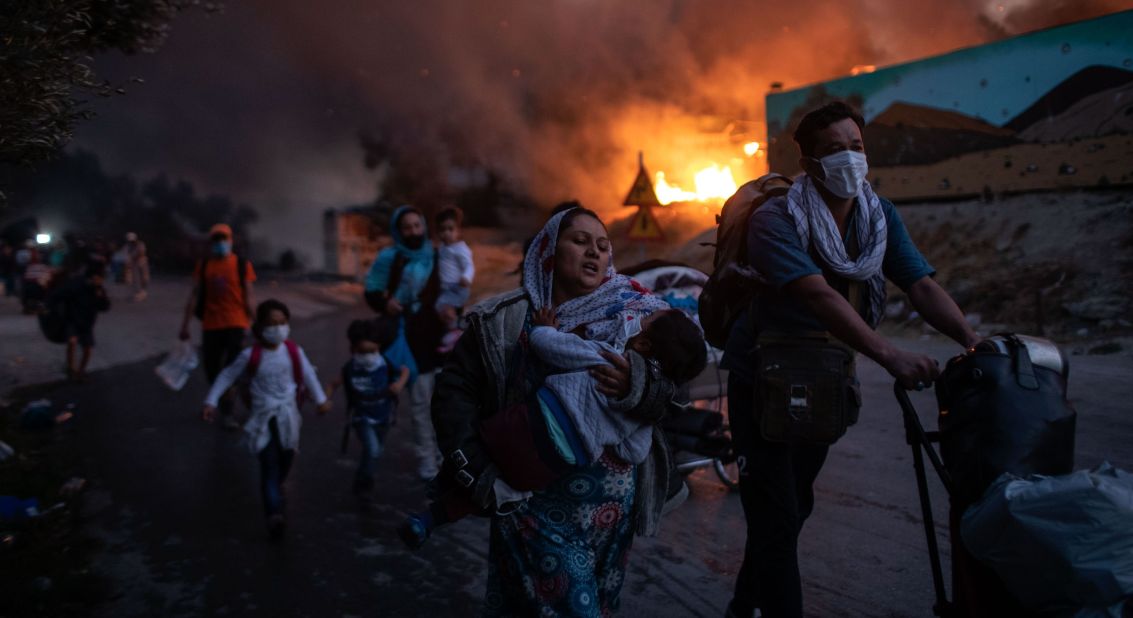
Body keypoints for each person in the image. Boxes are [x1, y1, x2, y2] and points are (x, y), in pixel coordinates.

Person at [720, 101, 981, 618]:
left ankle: (742, 606)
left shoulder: (877, 215)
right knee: (776, 515)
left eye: (856, 147)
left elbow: (920, 284)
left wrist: (972, 343)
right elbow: (818, 296)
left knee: (793, 507)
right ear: (811, 164)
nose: (849, 159)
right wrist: (890, 356)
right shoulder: (775, 219)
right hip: (763, 383)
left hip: (823, 383)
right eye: (834, 150)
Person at [431, 206, 682, 616]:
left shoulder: (638, 312)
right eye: (580, 241)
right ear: (548, 248)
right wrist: (479, 472)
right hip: (532, 506)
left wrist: (640, 385)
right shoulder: (506, 319)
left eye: (603, 246)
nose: (594, 253)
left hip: (611, 516)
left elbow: (678, 382)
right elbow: (453, 393)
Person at [400, 304, 705, 548]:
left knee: (479, 453)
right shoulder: (644, 414)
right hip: (554, 463)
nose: (640, 316)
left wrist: (547, 328)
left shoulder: (606, 358)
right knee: (499, 490)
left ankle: (435, 501)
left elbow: (547, 345)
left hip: (525, 424)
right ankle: (430, 519)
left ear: (641, 342)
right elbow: (634, 452)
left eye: (647, 318)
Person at [202, 299, 332, 539]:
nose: (278, 328)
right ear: (260, 327)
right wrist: (211, 401)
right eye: (272, 324)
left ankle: (276, 489)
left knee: (286, 458)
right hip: (262, 419)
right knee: (269, 464)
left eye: (282, 323)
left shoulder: (294, 352)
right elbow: (227, 375)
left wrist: (321, 399)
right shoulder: (250, 356)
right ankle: (273, 514)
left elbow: (309, 376)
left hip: (289, 417)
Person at [363, 206, 447, 480]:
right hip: (409, 339)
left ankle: (446, 459)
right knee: (422, 404)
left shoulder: (437, 254)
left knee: (445, 404)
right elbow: (372, 289)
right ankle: (428, 463)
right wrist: (386, 302)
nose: (413, 231)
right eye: (407, 227)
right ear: (398, 231)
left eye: (417, 225)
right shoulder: (391, 257)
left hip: (440, 338)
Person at [179, 223, 256, 429]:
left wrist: (257, 324)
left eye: (223, 239)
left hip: (236, 323)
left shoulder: (241, 265)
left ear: (230, 241)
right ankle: (225, 398)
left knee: (230, 369)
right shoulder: (204, 265)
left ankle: (228, 413)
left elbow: (248, 297)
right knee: (212, 370)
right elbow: (194, 295)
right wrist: (185, 325)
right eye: (216, 240)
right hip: (211, 324)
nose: (220, 243)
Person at [324, 318, 410, 497]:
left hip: (383, 417)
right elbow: (334, 384)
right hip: (361, 418)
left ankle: (363, 477)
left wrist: (399, 385)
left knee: (374, 450)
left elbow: (404, 371)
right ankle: (365, 481)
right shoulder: (350, 368)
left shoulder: (384, 363)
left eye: (373, 350)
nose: (369, 356)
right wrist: (324, 400)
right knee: (373, 449)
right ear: (353, 349)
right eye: (363, 351)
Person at [49, 257, 111, 382]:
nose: (98, 280)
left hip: (87, 322)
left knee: (87, 348)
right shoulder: (76, 283)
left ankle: (81, 371)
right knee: (72, 341)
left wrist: (100, 295)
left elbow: (105, 307)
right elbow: (58, 295)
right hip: (72, 319)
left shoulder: (98, 289)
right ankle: (71, 369)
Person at [433, 206, 475, 328]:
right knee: (441, 309)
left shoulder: (460, 249)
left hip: (457, 287)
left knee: (442, 306)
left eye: (450, 229)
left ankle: (456, 329)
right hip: (447, 288)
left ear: (458, 231)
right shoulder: (443, 247)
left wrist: (466, 277)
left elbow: (469, 265)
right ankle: (453, 328)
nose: (446, 233)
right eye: (442, 229)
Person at [124, 232, 150, 301]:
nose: (131, 242)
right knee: (136, 279)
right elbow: (128, 255)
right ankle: (138, 293)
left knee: (144, 278)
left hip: (142, 263)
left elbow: (142, 253)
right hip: (134, 264)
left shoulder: (141, 244)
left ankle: (143, 293)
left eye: (132, 241)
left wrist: (134, 256)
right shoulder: (128, 246)